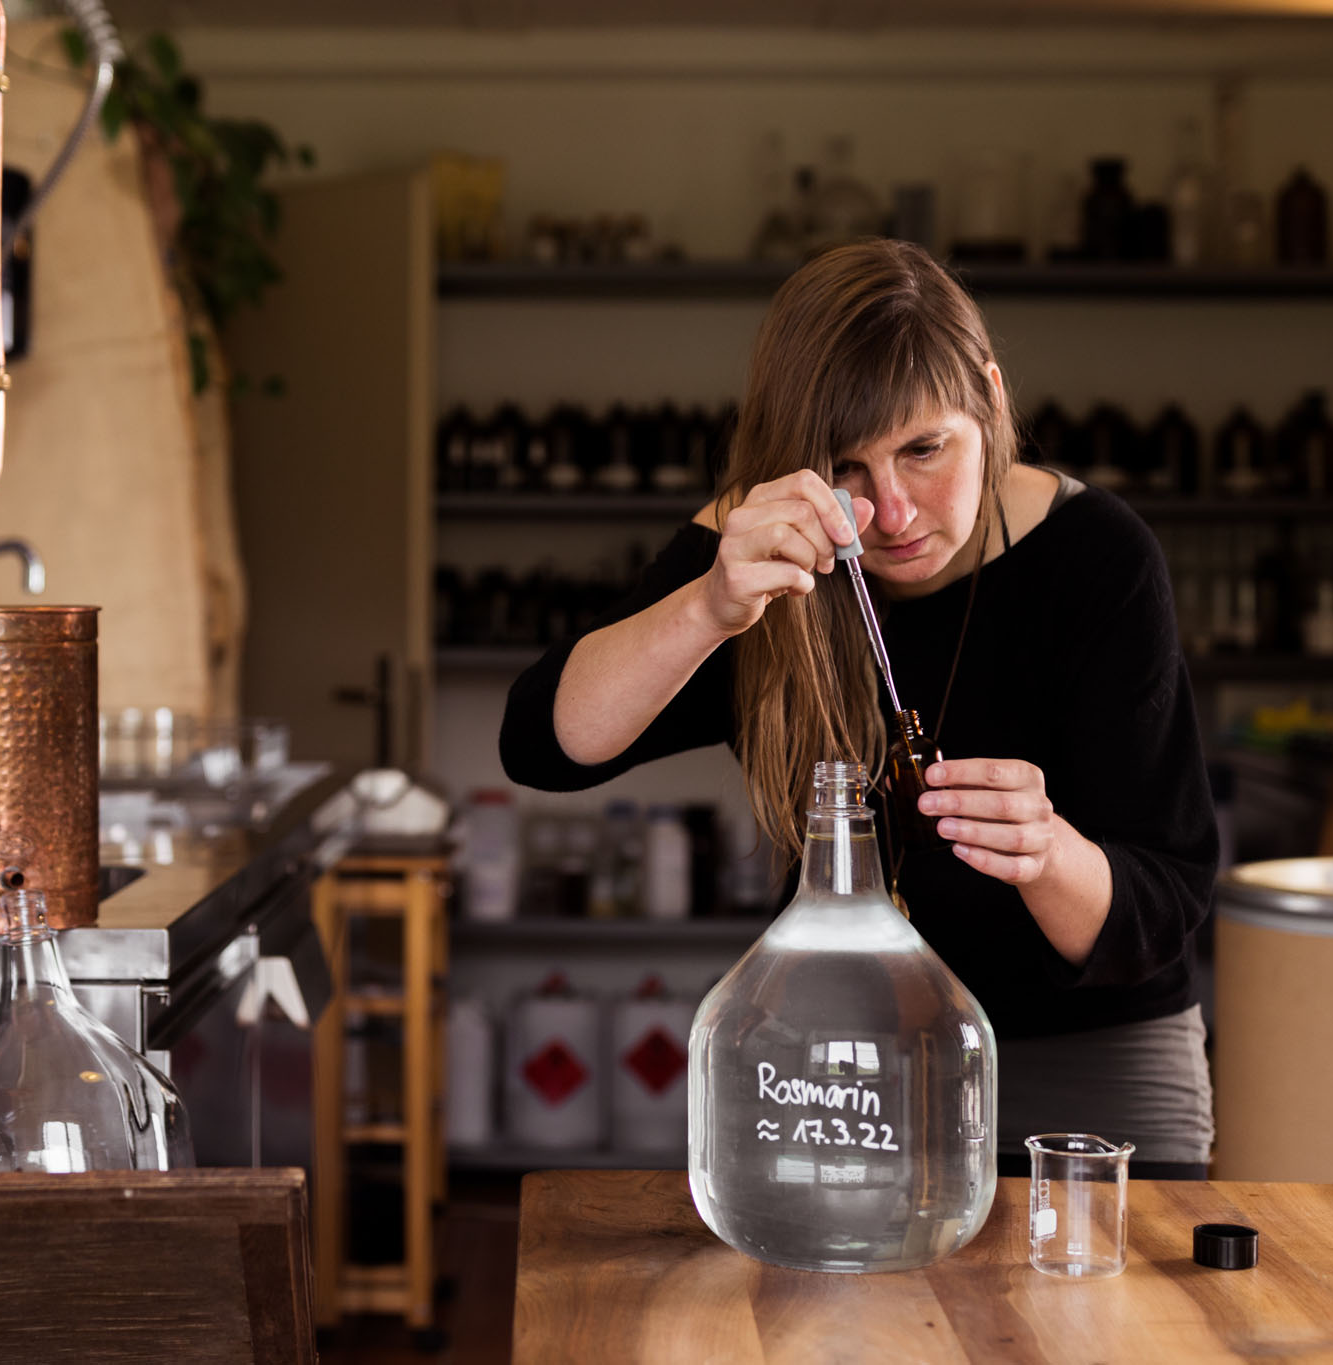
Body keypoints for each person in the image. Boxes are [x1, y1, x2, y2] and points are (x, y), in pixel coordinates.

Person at [499, 238, 1218, 1179]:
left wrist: (1046, 855)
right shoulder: (758, 548)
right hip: (849, 1073)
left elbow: (1161, 912)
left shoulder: (1098, 561)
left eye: (925, 450)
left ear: (992, 401)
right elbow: (546, 746)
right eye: (847, 470)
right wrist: (709, 607)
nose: (892, 513)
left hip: (1086, 1068)